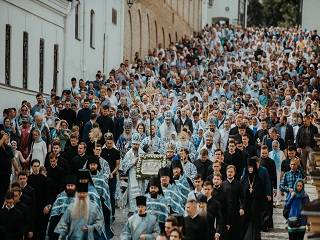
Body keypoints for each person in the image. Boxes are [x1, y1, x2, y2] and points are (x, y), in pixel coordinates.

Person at [120, 132, 145, 214]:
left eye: (137, 144)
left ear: (139, 144)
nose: (135, 146)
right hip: (132, 176)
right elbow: (123, 167)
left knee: (140, 193)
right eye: (134, 144)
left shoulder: (143, 153)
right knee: (133, 194)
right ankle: (132, 211)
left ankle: (141, 210)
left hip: (141, 179)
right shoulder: (128, 154)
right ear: (132, 143)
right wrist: (133, 162)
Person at [46, 175, 77, 240]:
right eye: (68, 186)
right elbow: (54, 216)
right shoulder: (60, 198)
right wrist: (51, 233)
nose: (70, 187)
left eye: (72, 186)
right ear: (66, 186)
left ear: (75, 186)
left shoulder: (79, 198)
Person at [241, 158, 265, 240]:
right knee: (245, 224)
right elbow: (241, 194)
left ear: (254, 167)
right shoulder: (244, 180)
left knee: (255, 225)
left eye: (252, 167)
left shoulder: (258, 180)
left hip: (255, 206)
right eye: (249, 167)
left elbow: (262, 194)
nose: (250, 169)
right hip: (246, 206)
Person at [222, 165, 245, 240]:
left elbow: (242, 197)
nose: (230, 173)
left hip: (236, 210)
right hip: (226, 211)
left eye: (231, 172)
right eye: (228, 172)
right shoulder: (223, 184)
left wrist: (241, 207)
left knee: (236, 231)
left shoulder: (238, 184)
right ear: (226, 173)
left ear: (234, 173)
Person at [101, 133, 120, 220]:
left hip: (112, 176)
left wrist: (112, 173)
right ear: (106, 142)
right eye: (107, 143)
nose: (109, 145)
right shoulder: (103, 151)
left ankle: (112, 213)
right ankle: (104, 212)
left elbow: (117, 165)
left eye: (111, 143)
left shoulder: (116, 152)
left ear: (113, 142)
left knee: (111, 195)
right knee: (104, 195)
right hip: (104, 177)